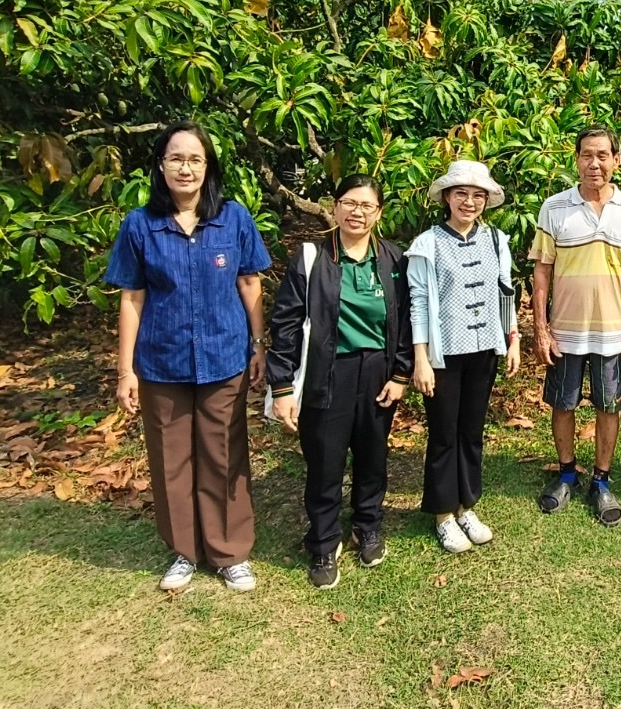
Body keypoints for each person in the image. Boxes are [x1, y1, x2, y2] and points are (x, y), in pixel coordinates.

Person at [106, 120, 271, 592]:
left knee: (223, 453)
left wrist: (258, 346)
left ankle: (229, 551)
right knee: (171, 457)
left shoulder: (234, 218)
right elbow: (132, 298)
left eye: (195, 159)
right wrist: (126, 370)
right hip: (162, 362)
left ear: (208, 166)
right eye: (176, 158)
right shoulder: (140, 224)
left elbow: (249, 282)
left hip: (224, 357)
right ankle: (184, 550)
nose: (185, 167)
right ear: (161, 165)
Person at [267, 175, 413, 589]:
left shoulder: (392, 259)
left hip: (377, 374)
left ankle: (367, 525)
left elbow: (405, 321)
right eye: (349, 203)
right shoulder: (312, 257)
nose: (357, 212)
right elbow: (287, 323)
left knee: (372, 457)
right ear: (334, 208)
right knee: (325, 461)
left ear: (379, 213)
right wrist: (280, 387)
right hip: (327, 372)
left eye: (367, 206)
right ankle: (323, 540)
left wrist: (401, 374)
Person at [530, 126, 621, 526]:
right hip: (565, 330)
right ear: (576, 159)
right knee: (562, 403)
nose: (594, 163)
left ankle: (601, 480)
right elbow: (542, 270)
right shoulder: (554, 207)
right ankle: (566, 474)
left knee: (608, 406)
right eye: (586, 155)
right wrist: (542, 328)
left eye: (602, 155)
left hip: (613, 332)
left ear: (617, 160)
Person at [408, 160, 521, 553]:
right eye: (461, 194)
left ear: (486, 201)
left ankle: (467, 506)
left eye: (477, 196)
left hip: (484, 350)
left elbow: (505, 292)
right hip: (444, 355)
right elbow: (418, 303)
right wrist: (420, 358)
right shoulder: (428, 243)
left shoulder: (496, 240)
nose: (469, 202)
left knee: (471, 432)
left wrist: (513, 338)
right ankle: (442, 514)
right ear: (446, 198)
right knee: (444, 434)